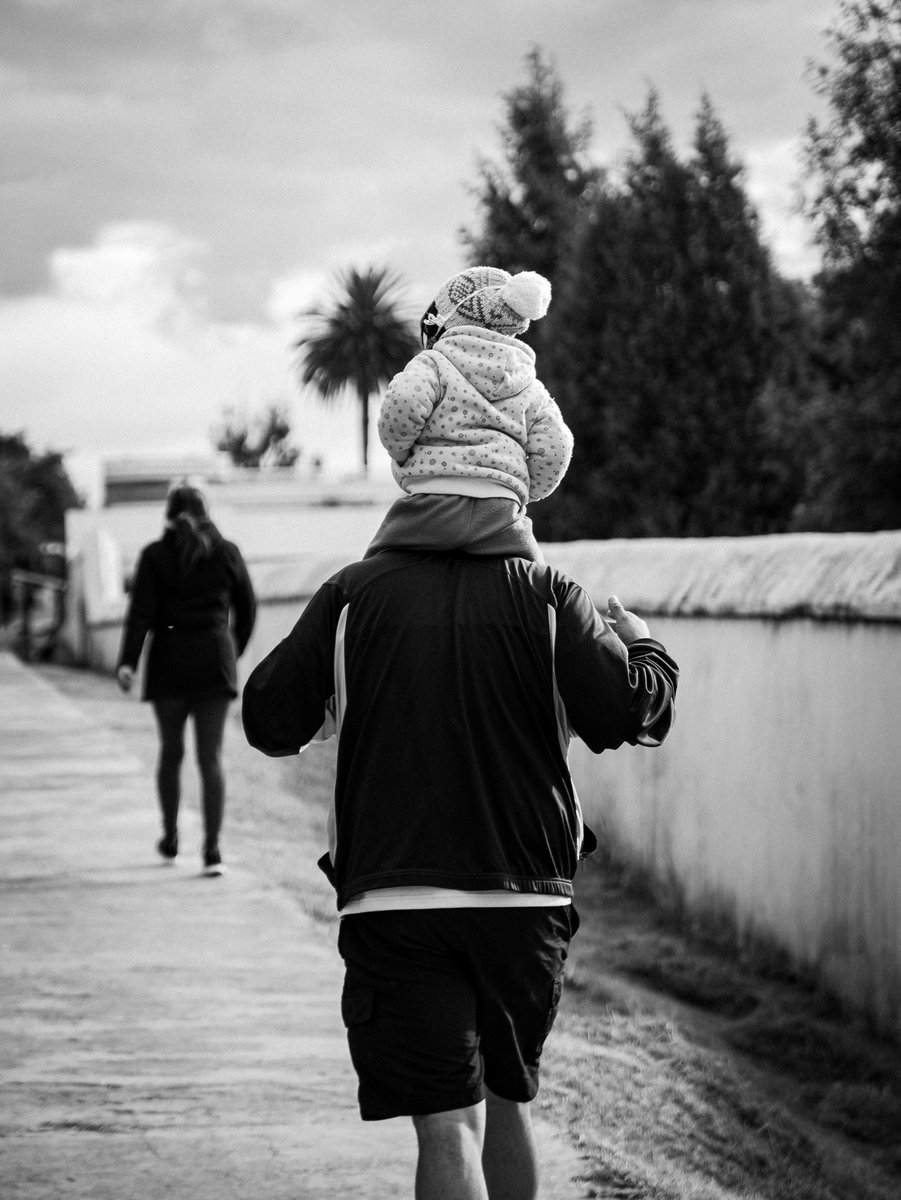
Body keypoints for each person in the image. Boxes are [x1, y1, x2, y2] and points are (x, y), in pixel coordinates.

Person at [242, 538, 678, 1196]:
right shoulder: (551, 593)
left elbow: (269, 720)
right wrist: (642, 646)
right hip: (525, 903)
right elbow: (633, 715)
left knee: (445, 1125)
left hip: (394, 900)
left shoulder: (351, 595)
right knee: (507, 1098)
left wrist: (337, 705)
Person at [366, 266, 573, 562]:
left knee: (369, 580)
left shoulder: (434, 363)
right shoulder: (532, 388)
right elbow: (557, 449)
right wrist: (523, 488)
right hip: (501, 513)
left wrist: (400, 453)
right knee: (541, 588)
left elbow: (403, 401)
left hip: (429, 504)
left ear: (446, 321)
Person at [117, 484, 256, 876]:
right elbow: (247, 607)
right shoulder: (227, 552)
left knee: (171, 753)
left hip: (169, 661)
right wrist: (232, 649)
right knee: (210, 757)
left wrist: (128, 662)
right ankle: (212, 851)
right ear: (206, 512)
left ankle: (171, 839)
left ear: (168, 515)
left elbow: (140, 613)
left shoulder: (154, 556)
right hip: (214, 660)